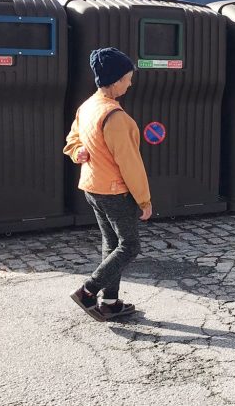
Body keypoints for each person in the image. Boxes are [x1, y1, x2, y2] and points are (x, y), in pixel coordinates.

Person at [64, 47, 153, 322]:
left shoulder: (88, 106)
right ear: (115, 80)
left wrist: (77, 150)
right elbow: (130, 164)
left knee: (112, 241)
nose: (130, 82)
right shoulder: (116, 118)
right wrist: (144, 200)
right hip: (115, 191)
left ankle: (110, 303)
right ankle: (88, 291)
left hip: (92, 187)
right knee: (130, 246)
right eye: (128, 77)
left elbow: (72, 139)